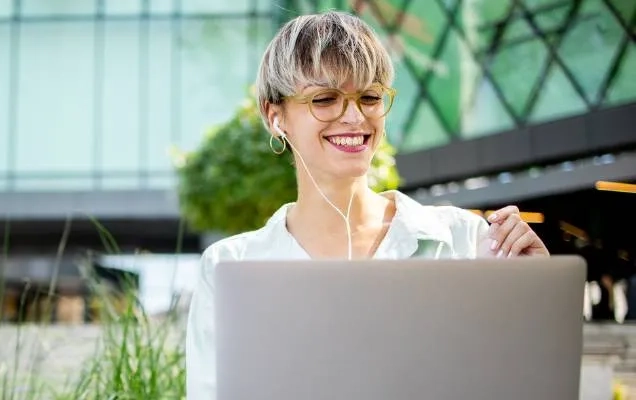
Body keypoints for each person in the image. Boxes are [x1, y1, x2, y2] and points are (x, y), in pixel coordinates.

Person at [185, 10, 549, 400]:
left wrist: (537, 299)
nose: (355, 117)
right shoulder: (229, 268)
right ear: (276, 117)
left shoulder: (467, 240)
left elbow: (525, 384)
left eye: (370, 97)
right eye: (325, 99)